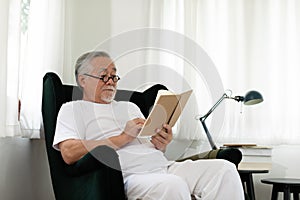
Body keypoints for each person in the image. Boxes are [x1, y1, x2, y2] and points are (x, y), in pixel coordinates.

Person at [53, 51, 245, 200]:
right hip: (129, 176)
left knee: (224, 170)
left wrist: (161, 142)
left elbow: (151, 148)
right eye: (103, 76)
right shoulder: (72, 109)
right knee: (172, 185)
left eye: (114, 76)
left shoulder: (130, 106)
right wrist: (123, 137)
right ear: (82, 80)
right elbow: (68, 153)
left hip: (164, 167)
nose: (111, 81)